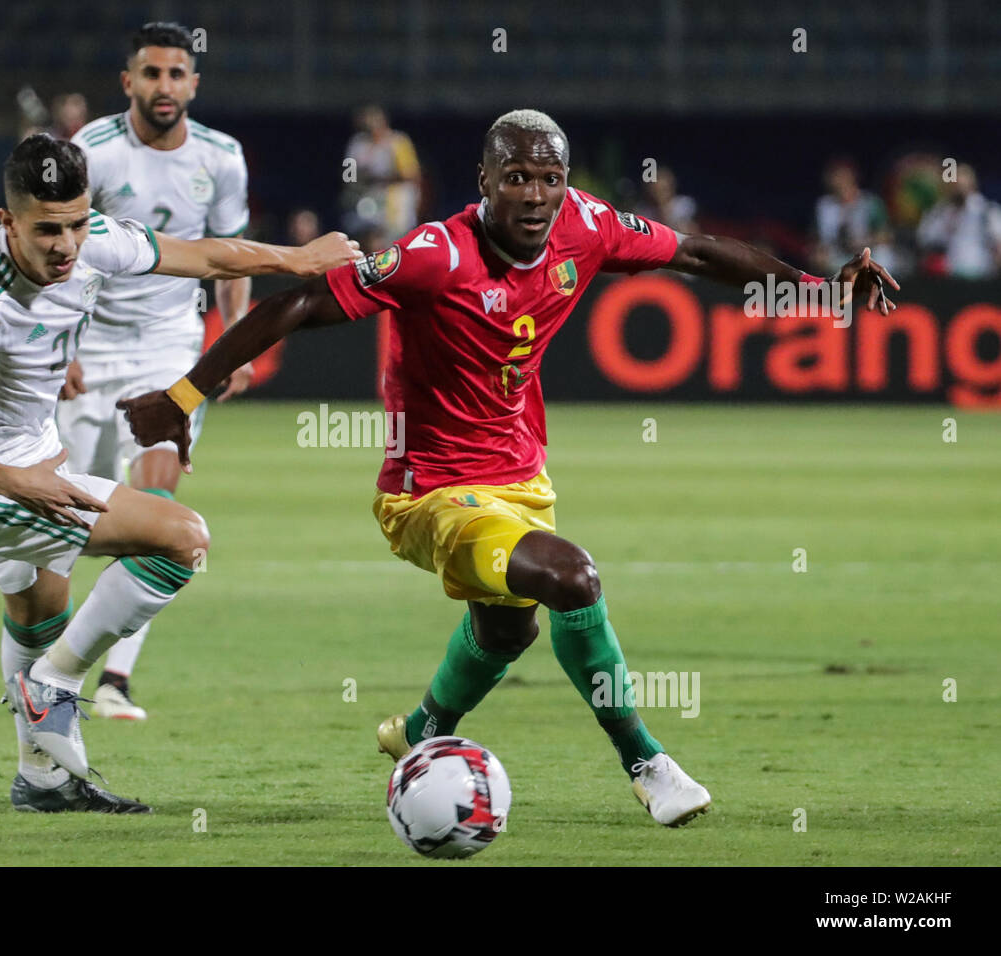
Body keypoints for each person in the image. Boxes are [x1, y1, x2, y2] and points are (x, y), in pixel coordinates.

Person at [118, 110, 899, 827]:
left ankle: (421, 732)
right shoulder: (433, 254)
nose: (535, 195)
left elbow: (694, 251)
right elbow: (298, 304)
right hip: (432, 497)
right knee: (572, 579)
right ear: (485, 182)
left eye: (550, 179)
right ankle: (649, 763)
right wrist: (184, 395)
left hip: (522, 479)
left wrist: (820, 293)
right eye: (517, 178)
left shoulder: (586, 227)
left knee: (508, 626)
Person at [0, 133, 357, 812]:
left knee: (36, 616)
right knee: (182, 539)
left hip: (34, 464)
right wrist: (23, 482)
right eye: (47, 230)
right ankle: (53, 687)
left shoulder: (95, 241)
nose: (67, 246)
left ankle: (42, 780)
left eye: (78, 224)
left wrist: (294, 259)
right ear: (7, 223)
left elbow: (202, 255)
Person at [61, 22, 254, 721]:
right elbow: (61, 252)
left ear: (193, 85)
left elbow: (230, 256)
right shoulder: (93, 153)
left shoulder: (222, 158)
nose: (164, 87)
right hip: (94, 346)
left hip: (171, 350)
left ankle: (113, 680)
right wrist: (62, 351)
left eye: (177, 75)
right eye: (152, 74)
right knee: (65, 519)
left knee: (158, 506)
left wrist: (231, 344)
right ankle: (47, 668)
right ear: (128, 83)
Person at [342, 104, 421, 242]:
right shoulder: (357, 143)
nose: (370, 125)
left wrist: (380, 178)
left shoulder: (398, 141)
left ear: (383, 121)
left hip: (394, 205)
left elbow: (411, 174)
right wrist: (358, 179)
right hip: (365, 202)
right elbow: (348, 175)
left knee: (393, 245)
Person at [916, 163, 1001, 278]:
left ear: (972, 184)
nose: (958, 188)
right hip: (948, 275)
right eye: (955, 185)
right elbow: (924, 238)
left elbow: (998, 243)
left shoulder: (987, 210)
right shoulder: (939, 212)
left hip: (981, 275)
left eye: (962, 184)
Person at [812, 158, 895, 276]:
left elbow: (886, 235)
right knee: (820, 258)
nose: (839, 180)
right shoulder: (824, 206)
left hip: (868, 254)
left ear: (853, 176)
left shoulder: (870, 202)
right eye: (835, 176)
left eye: (843, 175)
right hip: (837, 256)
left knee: (884, 254)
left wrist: (863, 242)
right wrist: (818, 252)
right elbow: (815, 240)